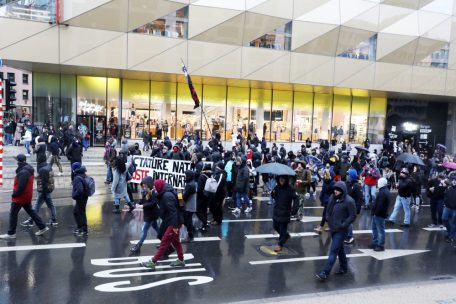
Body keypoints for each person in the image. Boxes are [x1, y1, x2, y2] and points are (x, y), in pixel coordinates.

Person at [0, 154, 49, 239]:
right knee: (31, 212)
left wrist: (14, 194)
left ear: (19, 161)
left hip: (20, 196)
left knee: (13, 214)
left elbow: (21, 186)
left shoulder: (23, 172)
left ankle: (11, 233)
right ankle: (43, 227)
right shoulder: (28, 169)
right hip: (27, 195)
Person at [316, 181, 356, 281]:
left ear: (343, 191)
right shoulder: (332, 198)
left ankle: (325, 273)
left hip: (341, 230)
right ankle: (343, 268)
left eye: (338, 190)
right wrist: (328, 218)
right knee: (340, 249)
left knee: (333, 251)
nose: (336, 191)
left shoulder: (349, 201)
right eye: (335, 189)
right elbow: (328, 210)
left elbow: (352, 216)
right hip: (333, 228)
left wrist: (343, 224)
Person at [141, 179, 185, 270]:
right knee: (176, 242)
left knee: (164, 242)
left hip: (173, 222)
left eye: (155, 188)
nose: (155, 190)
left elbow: (173, 212)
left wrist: (175, 226)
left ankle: (153, 262)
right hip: (173, 221)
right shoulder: (166, 191)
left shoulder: (167, 196)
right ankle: (181, 260)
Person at [21, 160, 57, 227]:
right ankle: (54, 220)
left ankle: (31, 221)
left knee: (37, 206)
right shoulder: (49, 168)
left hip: (43, 191)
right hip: (48, 190)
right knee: (50, 206)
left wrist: (44, 193)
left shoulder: (43, 170)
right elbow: (41, 178)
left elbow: (44, 182)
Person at [130, 176, 160, 253]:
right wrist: (137, 204)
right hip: (149, 214)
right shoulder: (146, 191)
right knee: (158, 229)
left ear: (149, 184)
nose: (143, 186)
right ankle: (167, 244)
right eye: (143, 184)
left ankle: (138, 246)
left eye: (145, 184)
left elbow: (153, 203)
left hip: (151, 215)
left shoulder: (154, 192)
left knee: (144, 230)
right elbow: (143, 200)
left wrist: (142, 206)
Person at [271, 175, 298, 252]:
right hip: (276, 211)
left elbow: (296, 198)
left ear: (286, 179)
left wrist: (294, 209)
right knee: (275, 226)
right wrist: (272, 193)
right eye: (280, 178)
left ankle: (280, 244)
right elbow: (273, 196)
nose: (281, 180)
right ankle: (285, 236)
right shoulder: (277, 187)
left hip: (285, 212)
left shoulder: (290, 188)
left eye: (283, 178)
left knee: (283, 230)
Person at [370, 177, 390, 251]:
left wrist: (375, 213)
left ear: (381, 183)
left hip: (379, 214)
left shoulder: (383, 192)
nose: (377, 183)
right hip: (379, 214)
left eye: (378, 182)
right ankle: (376, 243)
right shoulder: (384, 191)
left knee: (380, 230)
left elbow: (380, 205)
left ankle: (380, 245)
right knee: (375, 229)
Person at [71, 162, 89, 236]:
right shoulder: (82, 174)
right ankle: (80, 227)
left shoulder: (77, 178)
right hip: (83, 197)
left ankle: (84, 230)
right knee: (76, 212)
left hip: (81, 198)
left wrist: (74, 195)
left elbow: (80, 190)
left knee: (80, 213)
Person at [182, 170, 197, 242]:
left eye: (186, 175)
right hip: (190, 206)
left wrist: (179, 195)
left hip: (189, 206)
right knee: (188, 220)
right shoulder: (191, 183)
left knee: (187, 221)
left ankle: (190, 235)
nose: (185, 176)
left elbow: (184, 197)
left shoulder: (190, 185)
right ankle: (191, 230)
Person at [442, 175, 456, 243]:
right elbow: (445, 196)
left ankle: (451, 237)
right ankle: (450, 232)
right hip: (447, 207)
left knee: (454, 223)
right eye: (453, 180)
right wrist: (445, 202)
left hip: (455, 208)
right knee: (444, 219)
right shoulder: (449, 188)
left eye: (455, 180)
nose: (454, 181)